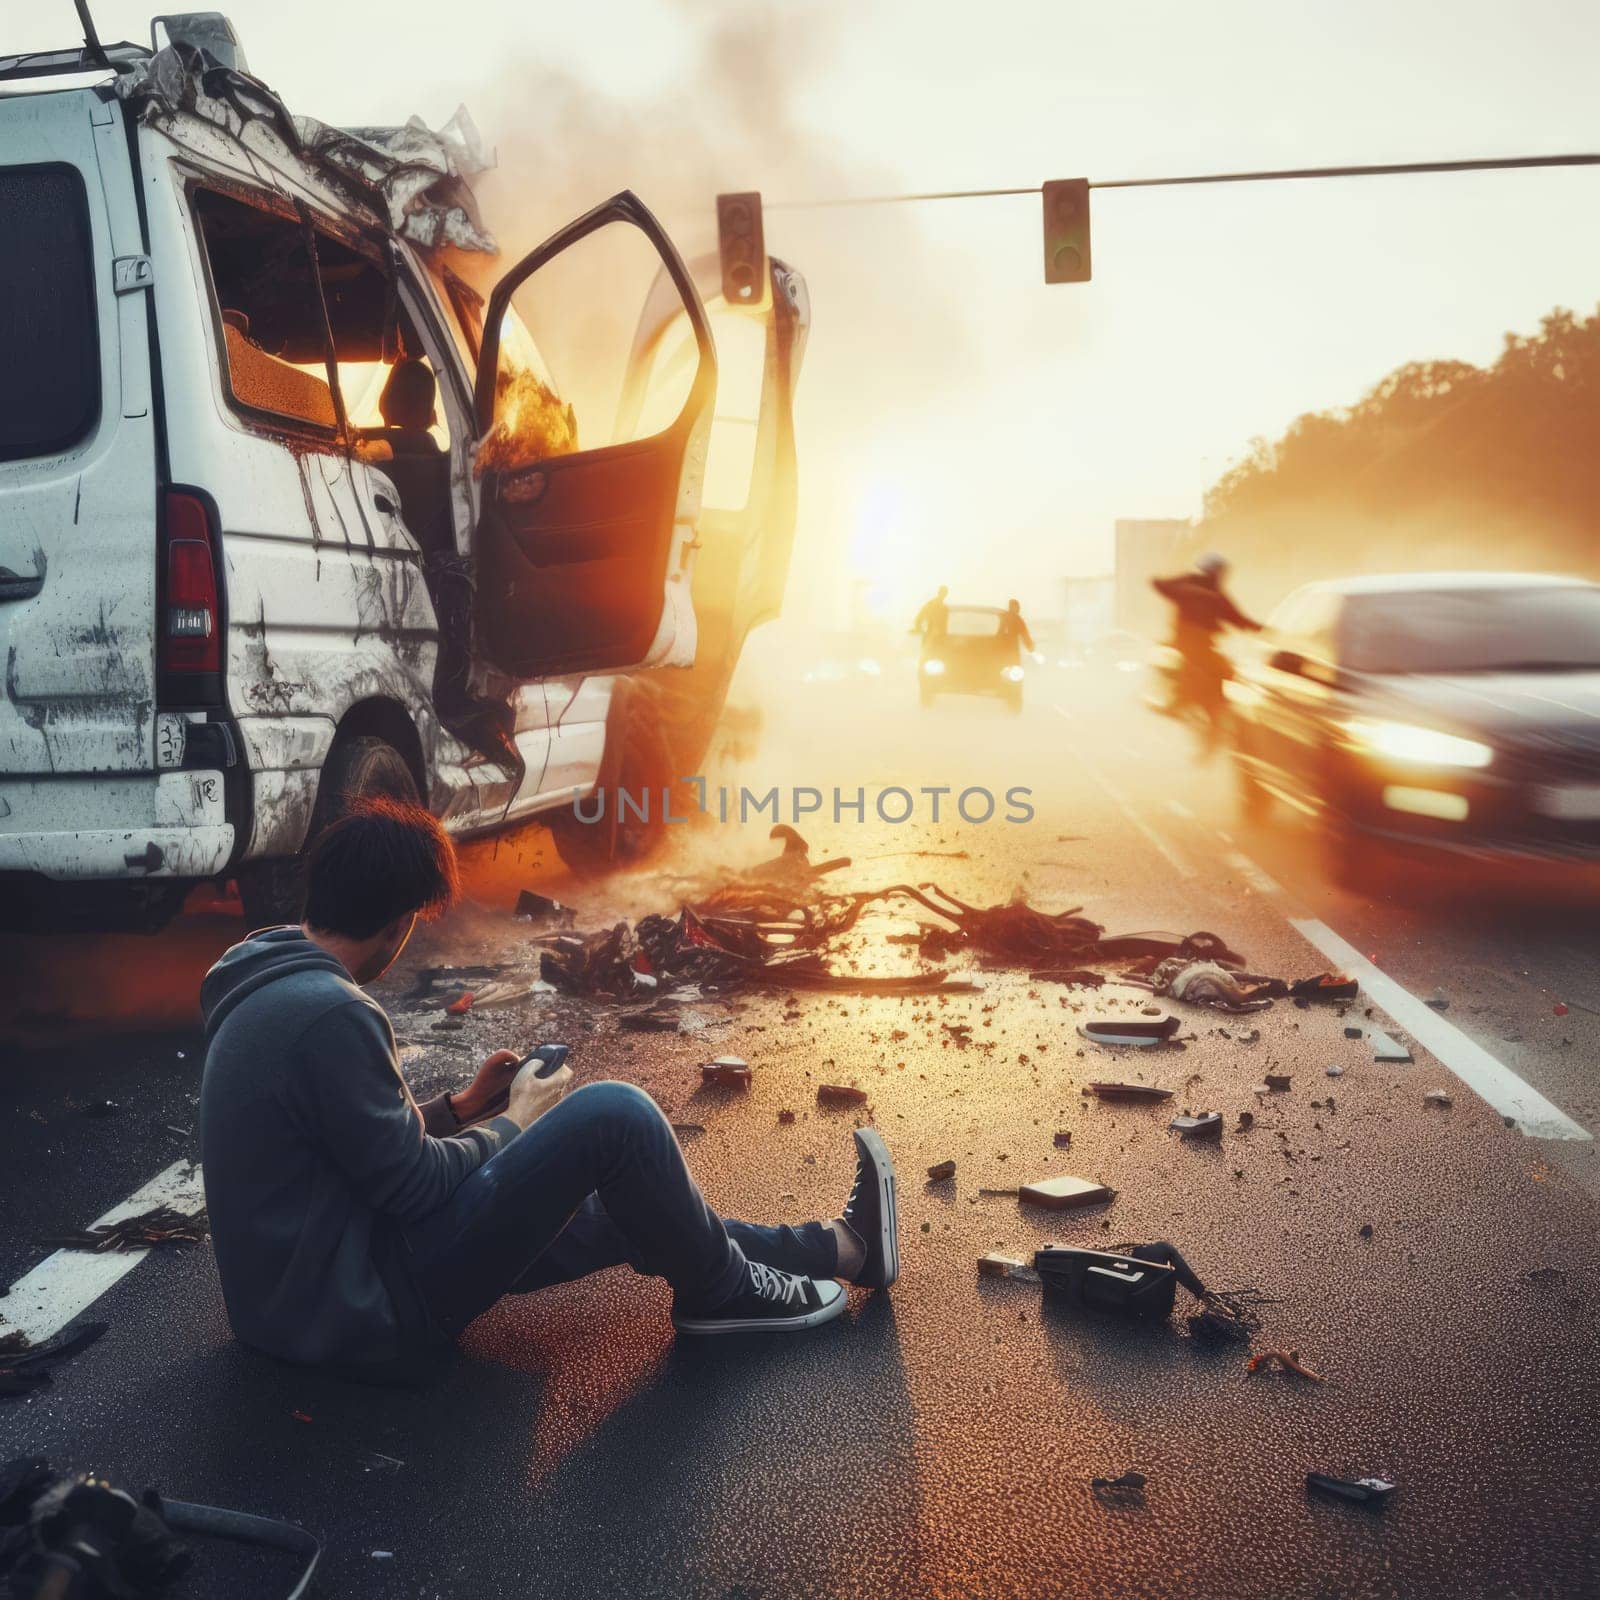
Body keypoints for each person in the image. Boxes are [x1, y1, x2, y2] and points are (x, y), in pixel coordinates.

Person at [199, 797, 898, 1375]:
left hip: (303, 1301)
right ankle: (724, 1294)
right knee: (613, 1114)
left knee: (594, 1210)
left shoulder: (267, 980)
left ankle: (838, 1248)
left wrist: (459, 1109)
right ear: (399, 922)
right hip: (363, 1314)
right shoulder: (332, 1012)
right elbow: (410, 1186)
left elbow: (345, 1143)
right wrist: (516, 1121)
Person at [1150, 553, 1261, 752]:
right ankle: (1176, 702)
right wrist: (1188, 591)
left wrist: (1261, 629)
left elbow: (1237, 618)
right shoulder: (1187, 584)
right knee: (1182, 667)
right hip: (1183, 643)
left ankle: (1222, 709)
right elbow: (1159, 584)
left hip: (1206, 645)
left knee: (1227, 671)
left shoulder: (1218, 595)